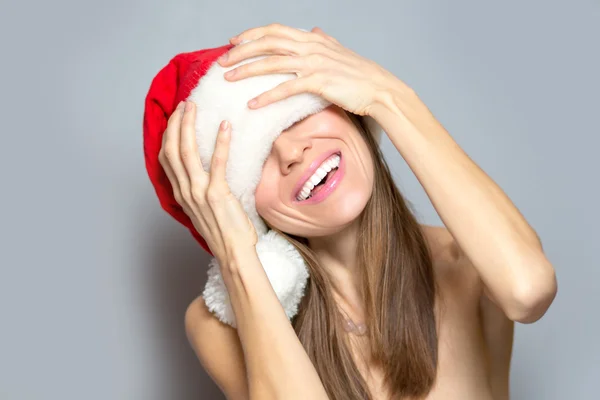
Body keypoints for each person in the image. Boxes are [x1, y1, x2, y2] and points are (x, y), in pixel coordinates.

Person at [147, 24, 557, 400]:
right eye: (252, 163)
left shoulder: (465, 259)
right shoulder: (218, 325)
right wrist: (237, 256)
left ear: (345, 105)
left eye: (297, 113)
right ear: (236, 206)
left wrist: (389, 98)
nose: (292, 153)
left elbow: (528, 291)